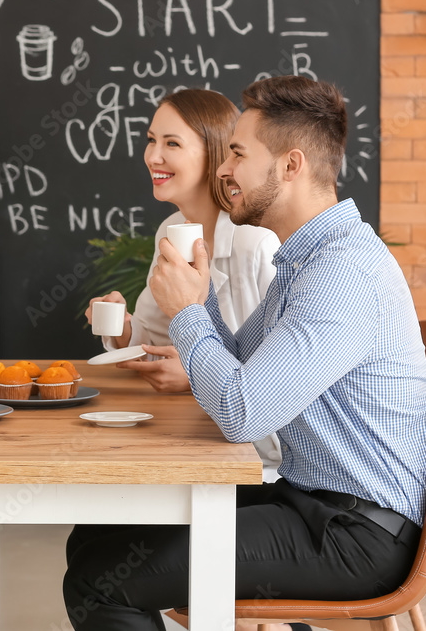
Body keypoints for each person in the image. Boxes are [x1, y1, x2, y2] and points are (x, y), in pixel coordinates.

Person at [64, 76, 426, 631]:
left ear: (290, 167)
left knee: (101, 579)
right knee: (98, 535)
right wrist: (201, 299)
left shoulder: (342, 272)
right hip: (311, 500)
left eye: (238, 153)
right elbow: (241, 356)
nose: (223, 169)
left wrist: (190, 313)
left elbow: (244, 412)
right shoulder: (307, 259)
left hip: (356, 532)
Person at [86, 89, 282, 481]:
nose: (153, 156)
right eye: (151, 140)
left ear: (216, 155)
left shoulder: (257, 243)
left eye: (172, 143)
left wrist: (196, 377)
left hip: (260, 460)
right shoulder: (172, 231)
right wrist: (125, 329)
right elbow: (159, 335)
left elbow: (277, 378)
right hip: (199, 435)